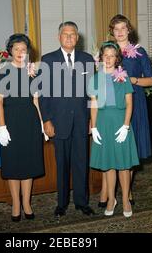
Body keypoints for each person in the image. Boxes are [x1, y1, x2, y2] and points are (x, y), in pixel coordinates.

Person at [39, 21, 95, 217]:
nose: (69, 37)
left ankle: (82, 202)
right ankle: (61, 203)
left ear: (77, 38)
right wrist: (46, 120)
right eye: (65, 34)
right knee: (61, 164)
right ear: (59, 37)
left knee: (81, 163)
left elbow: (91, 93)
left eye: (73, 34)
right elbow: (43, 93)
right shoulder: (48, 60)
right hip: (58, 120)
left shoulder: (87, 59)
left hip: (81, 120)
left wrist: (91, 119)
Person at [0, 33, 45, 222]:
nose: (20, 52)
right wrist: (1, 127)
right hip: (10, 120)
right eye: (16, 49)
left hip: (30, 120)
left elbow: (37, 100)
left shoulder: (33, 72)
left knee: (29, 163)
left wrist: (41, 123)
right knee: (13, 163)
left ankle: (27, 203)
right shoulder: (3, 71)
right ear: (10, 51)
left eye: (24, 49)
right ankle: (16, 203)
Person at [89, 41, 139, 217]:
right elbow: (93, 105)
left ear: (117, 58)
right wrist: (93, 127)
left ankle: (125, 199)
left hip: (120, 123)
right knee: (108, 164)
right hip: (102, 123)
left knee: (124, 165)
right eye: (105, 55)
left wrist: (126, 125)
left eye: (112, 55)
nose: (108, 59)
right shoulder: (94, 78)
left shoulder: (123, 77)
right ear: (101, 57)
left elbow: (129, 104)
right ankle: (111, 199)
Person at [108, 14, 152, 205]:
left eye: (123, 28)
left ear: (129, 30)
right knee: (114, 147)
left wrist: (132, 80)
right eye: (116, 29)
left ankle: (127, 190)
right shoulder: (107, 50)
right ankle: (110, 192)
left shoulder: (139, 52)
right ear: (112, 32)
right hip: (112, 105)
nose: (119, 32)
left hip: (134, 104)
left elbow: (151, 80)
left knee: (130, 147)